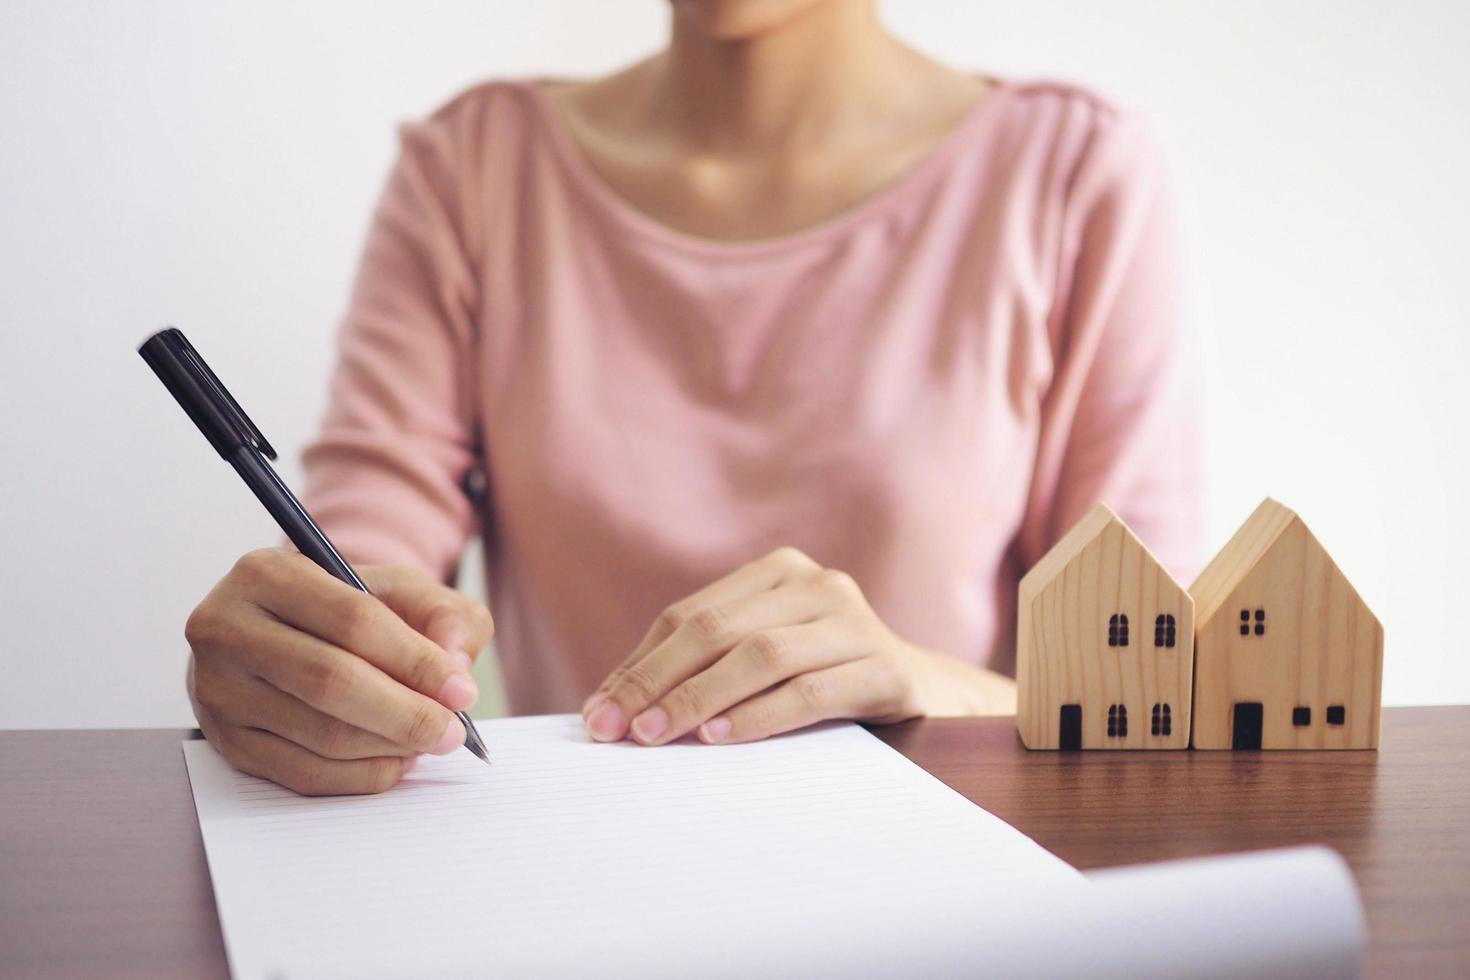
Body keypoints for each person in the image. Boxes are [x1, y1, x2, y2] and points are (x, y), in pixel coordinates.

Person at [183, 0, 1202, 795]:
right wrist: (309, 659)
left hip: (950, 899)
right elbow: (369, 556)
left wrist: (925, 681)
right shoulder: (472, 170)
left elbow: (1149, 692)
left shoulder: (1075, 174)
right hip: (591, 897)